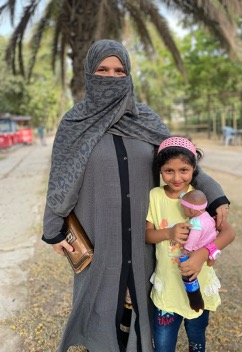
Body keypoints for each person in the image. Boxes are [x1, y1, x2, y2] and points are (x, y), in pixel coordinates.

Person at [42, 39, 231, 352]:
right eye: (102, 69)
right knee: (102, 300)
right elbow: (60, 178)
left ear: (128, 75)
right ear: (89, 73)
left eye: (119, 71)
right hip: (98, 233)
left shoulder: (145, 119)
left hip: (144, 234)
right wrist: (53, 229)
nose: (112, 77)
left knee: (138, 299)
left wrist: (216, 195)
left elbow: (181, 162)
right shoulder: (74, 123)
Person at [146, 136, 236, 352]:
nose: (177, 177)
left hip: (199, 283)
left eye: (184, 170)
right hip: (168, 288)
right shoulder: (155, 197)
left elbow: (229, 233)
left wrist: (203, 254)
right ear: (160, 170)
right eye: (169, 171)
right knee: (163, 345)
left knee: (197, 339)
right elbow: (147, 235)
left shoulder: (200, 197)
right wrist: (168, 232)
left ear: (194, 168)